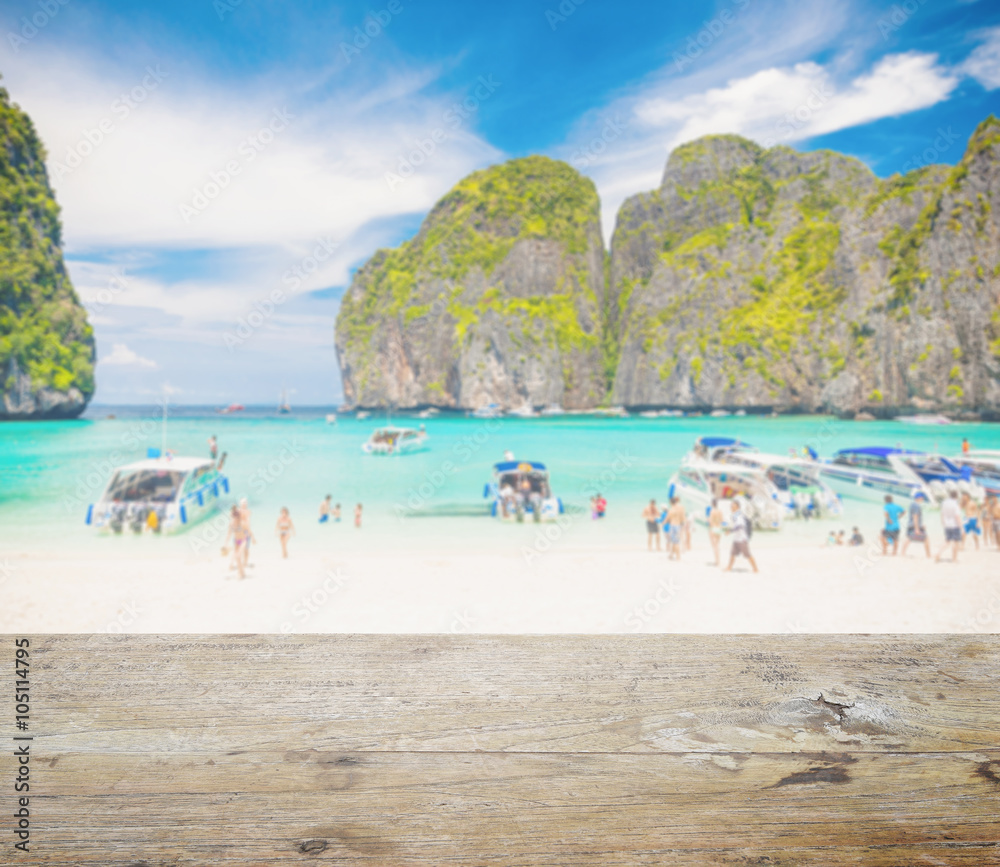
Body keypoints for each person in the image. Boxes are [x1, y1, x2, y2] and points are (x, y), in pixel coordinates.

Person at [724, 500, 758, 573]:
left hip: (742, 539)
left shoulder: (738, 515)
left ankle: (756, 569)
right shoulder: (735, 515)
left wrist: (730, 531)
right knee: (732, 553)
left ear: (737, 507)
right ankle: (729, 567)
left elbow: (740, 526)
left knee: (747, 555)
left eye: (733, 506)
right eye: (731, 506)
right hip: (736, 538)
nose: (731, 507)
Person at [935, 490, 963, 563]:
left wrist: (943, 523)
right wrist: (961, 526)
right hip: (954, 525)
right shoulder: (955, 504)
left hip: (947, 525)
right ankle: (954, 559)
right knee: (955, 542)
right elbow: (957, 516)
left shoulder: (944, 503)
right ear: (956, 496)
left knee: (947, 541)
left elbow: (942, 514)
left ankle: (938, 553)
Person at [902, 492, 931, 558]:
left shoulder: (912, 504)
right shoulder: (916, 505)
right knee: (926, 538)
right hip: (914, 525)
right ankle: (928, 555)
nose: (923, 499)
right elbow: (915, 517)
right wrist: (917, 529)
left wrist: (921, 525)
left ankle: (903, 553)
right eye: (922, 498)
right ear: (919, 498)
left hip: (911, 525)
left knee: (909, 538)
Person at [224, 505, 247, 579]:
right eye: (233, 516)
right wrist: (225, 544)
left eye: (236, 516)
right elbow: (228, 534)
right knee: (238, 558)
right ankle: (242, 572)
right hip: (236, 542)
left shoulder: (242, 523)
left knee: (237, 557)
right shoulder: (231, 524)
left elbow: (247, 531)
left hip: (243, 541)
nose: (234, 518)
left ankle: (240, 574)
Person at [239, 497, 254, 568]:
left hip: (246, 530)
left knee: (246, 548)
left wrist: (250, 532)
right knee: (240, 547)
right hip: (240, 531)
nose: (244, 504)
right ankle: (241, 561)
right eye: (243, 503)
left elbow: (248, 522)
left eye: (245, 503)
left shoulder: (248, 511)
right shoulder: (239, 511)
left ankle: (245, 562)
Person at [707, 499, 723, 566]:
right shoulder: (720, 511)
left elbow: (710, 521)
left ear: (712, 504)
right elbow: (722, 520)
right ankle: (718, 561)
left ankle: (717, 561)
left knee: (714, 546)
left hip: (713, 528)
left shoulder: (712, 511)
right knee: (717, 545)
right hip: (719, 529)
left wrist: (707, 520)